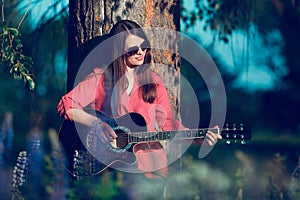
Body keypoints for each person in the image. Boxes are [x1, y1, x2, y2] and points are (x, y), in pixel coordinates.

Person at [57, 19, 222, 199]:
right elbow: (67, 104)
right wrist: (97, 123)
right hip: (112, 167)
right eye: (133, 50)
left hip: (151, 168)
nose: (141, 52)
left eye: (143, 46)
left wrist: (199, 138)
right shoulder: (101, 78)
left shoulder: (154, 81)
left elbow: (168, 125)